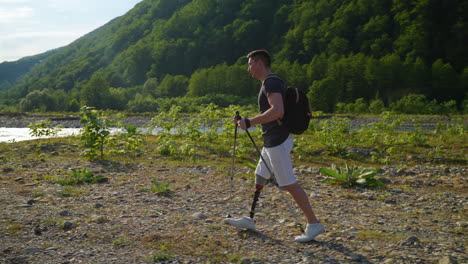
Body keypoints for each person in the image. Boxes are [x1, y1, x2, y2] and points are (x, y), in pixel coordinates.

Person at [226, 49, 324, 243]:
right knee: (260, 175)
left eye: (250, 64)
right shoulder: (269, 83)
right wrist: (243, 122)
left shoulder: (271, 82)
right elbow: (273, 112)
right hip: (272, 140)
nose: (248, 69)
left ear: (260, 64)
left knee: (288, 183)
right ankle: (250, 219)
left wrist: (251, 122)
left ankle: (314, 224)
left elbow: (277, 111)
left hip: (277, 141)